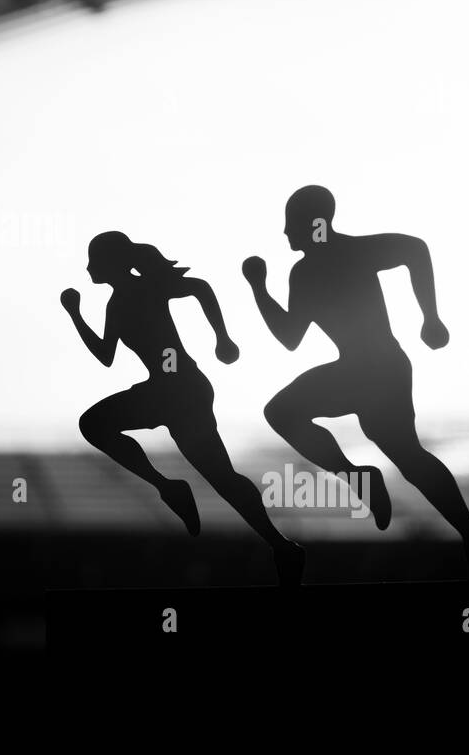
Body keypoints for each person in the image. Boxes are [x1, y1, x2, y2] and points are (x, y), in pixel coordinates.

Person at [242, 186, 469, 581]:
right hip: (365, 369)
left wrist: (430, 316)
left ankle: (466, 531)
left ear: (315, 222)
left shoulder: (352, 252)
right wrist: (259, 289)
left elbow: (414, 249)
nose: (284, 232)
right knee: (403, 454)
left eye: (290, 223)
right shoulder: (306, 272)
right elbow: (291, 336)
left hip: (375, 369)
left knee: (400, 453)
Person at [62, 230, 305, 585]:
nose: (87, 268)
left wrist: (222, 337)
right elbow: (106, 356)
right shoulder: (116, 304)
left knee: (222, 476)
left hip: (182, 390)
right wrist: (76, 315)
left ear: (112, 262)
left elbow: (200, 288)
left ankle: (280, 546)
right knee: (95, 424)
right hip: (163, 390)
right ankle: (169, 487)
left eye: (93, 260)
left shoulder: (148, 287)